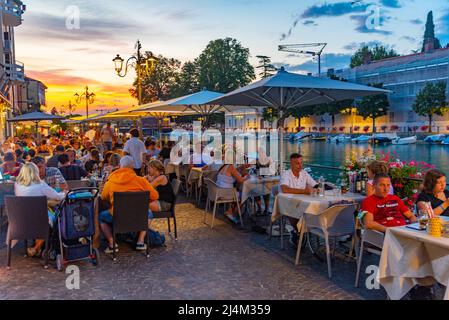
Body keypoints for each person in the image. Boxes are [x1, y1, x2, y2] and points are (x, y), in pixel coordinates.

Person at [100, 156, 159, 252]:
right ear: (132, 167)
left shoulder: (110, 182)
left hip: (117, 217)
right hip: (137, 216)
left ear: (120, 166)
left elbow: (103, 197)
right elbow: (155, 196)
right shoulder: (141, 181)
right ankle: (140, 241)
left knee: (101, 217)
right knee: (148, 213)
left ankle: (112, 243)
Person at [14, 162, 66, 257]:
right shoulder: (40, 185)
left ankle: (36, 248)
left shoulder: (17, 185)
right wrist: (65, 193)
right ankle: (37, 248)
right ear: (35, 172)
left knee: (43, 217)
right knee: (56, 220)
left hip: (22, 220)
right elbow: (58, 196)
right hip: (39, 220)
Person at [280, 153, 317, 245]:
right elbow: (285, 189)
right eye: (297, 163)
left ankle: (303, 230)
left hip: (301, 202)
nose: (300, 166)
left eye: (301, 163)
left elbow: (315, 185)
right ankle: (297, 231)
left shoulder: (304, 173)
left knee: (312, 208)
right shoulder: (286, 174)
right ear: (291, 164)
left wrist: (317, 188)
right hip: (286, 203)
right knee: (292, 209)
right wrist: (305, 191)